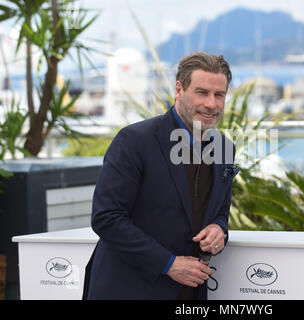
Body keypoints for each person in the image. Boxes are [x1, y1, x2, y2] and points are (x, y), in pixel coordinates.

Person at [83, 52, 238, 300]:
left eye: (219, 95)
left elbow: (220, 212)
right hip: (129, 290)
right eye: (202, 92)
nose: (212, 104)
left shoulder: (224, 148)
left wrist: (219, 228)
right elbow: (106, 218)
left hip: (191, 293)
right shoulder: (134, 140)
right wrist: (169, 264)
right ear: (179, 89)